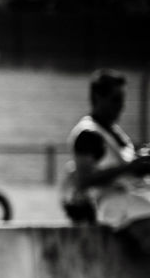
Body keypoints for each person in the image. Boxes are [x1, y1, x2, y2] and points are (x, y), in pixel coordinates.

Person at [62, 70, 150, 252]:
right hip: (113, 207)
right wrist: (128, 167)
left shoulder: (115, 131)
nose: (121, 105)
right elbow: (84, 180)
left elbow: (126, 169)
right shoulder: (88, 134)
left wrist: (141, 164)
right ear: (98, 97)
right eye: (116, 99)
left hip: (134, 200)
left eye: (122, 99)